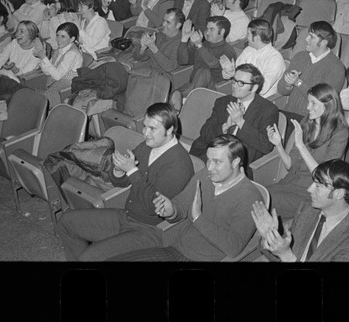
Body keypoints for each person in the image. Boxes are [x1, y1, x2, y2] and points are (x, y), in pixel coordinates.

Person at [55, 103, 195, 261]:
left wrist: (132, 171)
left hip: (149, 230)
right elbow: (120, 182)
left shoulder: (179, 166)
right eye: (144, 126)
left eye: (152, 129)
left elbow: (152, 207)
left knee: (90, 257)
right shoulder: (148, 146)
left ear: (170, 130)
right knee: (66, 222)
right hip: (127, 216)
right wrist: (118, 171)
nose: (145, 133)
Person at [107, 134, 263, 262]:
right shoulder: (205, 176)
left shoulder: (250, 197)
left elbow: (234, 246)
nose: (210, 167)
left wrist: (197, 218)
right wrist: (170, 210)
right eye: (208, 160)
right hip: (175, 249)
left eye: (217, 162)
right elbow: (180, 205)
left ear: (235, 162)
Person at [252, 159, 349, 262]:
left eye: (318, 186)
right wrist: (271, 235)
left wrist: (286, 255)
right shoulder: (307, 210)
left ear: (338, 193)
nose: (309, 189)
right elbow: (279, 256)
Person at [265, 84, 349, 218]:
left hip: (311, 192)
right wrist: (279, 145)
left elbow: (323, 177)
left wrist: (301, 145)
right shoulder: (307, 123)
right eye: (308, 102)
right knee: (255, 194)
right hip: (289, 183)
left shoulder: (340, 133)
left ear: (327, 105)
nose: (307, 107)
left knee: (262, 200)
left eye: (313, 103)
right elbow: (290, 166)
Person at [189, 63, 279, 170]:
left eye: (240, 83)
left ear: (254, 87)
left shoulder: (267, 110)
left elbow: (266, 146)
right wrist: (224, 127)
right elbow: (204, 133)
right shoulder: (223, 102)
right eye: (234, 81)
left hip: (236, 163)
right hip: (209, 153)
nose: (234, 85)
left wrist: (241, 122)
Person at [276, 21, 347, 120]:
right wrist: (288, 84)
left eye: (311, 37)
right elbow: (281, 90)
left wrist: (298, 83)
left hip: (312, 120)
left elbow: (322, 101)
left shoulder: (336, 67)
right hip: (288, 113)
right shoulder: (300, 57)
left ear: (323, 42)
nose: (306, 39)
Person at [170, 16, 237, 110]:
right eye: (207, 29)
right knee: (170, 96)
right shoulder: (203, 44)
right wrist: (184, 39)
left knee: (205, 71)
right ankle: (182, 99)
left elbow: (214, 64)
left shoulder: (228, 50)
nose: (207, 32)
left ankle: (184, 98)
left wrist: (199, 45)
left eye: (211, 29)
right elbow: (183, 61)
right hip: (193, 85)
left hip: (212, 89)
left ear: (221, 32)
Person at [221, 19, 285, 100]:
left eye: (248, 34)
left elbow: (262, 88)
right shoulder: (248, 50)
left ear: (257, 38)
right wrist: (230, 73)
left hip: (261, 100)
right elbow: (236, 73)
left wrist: (239, 77)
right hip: (241, 95)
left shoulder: (275, 58)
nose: (246, 37)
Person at [32, 22, 84, 102]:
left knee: (35, 102)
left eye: (63, 36)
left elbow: (57, 76)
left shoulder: (72, 53)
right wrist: (42, 58)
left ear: (72, 39)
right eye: (57, 35)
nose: (58, 39)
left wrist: (44, 57)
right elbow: (47, 72)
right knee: (26, 94)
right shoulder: (59, 49)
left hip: (65, 88)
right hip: (53, 83)